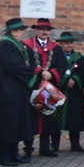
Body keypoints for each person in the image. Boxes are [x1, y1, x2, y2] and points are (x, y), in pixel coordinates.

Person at [0, 18, 45, 166]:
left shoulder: (17, 45)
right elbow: (15, 67)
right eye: (20, 30)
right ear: (13, 32)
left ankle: (13, 152)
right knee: (8, 122)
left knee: (16, 122)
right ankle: (4, 156)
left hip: (17, 89)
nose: (23, 33)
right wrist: (34, 80)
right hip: (7, 89)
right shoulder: (6, 45)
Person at [25, 18, 62, 157]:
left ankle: (45, 148)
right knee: (30, 117)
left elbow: (61, 66)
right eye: (41, 29)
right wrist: (40, 73)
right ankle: (28, 147)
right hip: (33, 86)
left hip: (49, 87)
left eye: (47, 29)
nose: (44, 32)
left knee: (48, 116)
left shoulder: (55, 48)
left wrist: (51, 74)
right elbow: (26, 64)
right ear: (36, 30)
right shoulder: (27, 46)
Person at [51, 31, 84, 153]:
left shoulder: (79, 58)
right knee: (56, 119)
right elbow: (53, 70)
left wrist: (75, 80)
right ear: (61, 44)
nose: (69, 45)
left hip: (74, 93)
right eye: (66, 43)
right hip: (59, 91)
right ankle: (55, 144)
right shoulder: (55, 57)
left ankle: (75, 143)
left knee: (75, 118)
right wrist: (64, 80)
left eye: (70, 43)